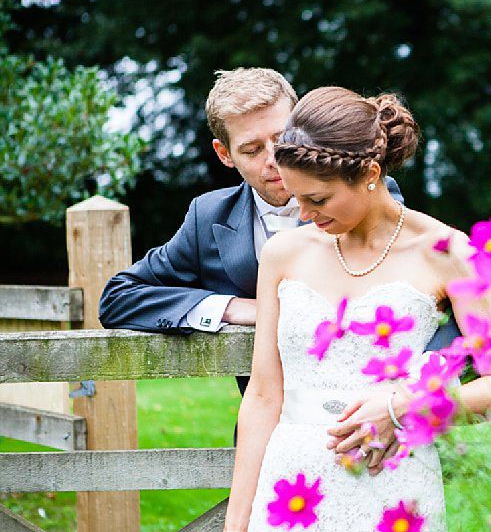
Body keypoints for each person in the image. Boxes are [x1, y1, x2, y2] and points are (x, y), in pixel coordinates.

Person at [208, 87, 491, 532]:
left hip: (394, 489)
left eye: (318, 199)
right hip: (293, 489)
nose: (304, 215)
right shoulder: (283, 254)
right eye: (296, 198)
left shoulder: (448, 253)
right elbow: (265, 396)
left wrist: (404, 406)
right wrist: (236, 526)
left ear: (371, 175)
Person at [98, 68, 459, 410]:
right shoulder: (209, 217)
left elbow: (437, 306)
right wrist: (231, 308)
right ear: (224, 154)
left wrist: (411, 399)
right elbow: (118, 298)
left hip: (379, 420)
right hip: (267, 423)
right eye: (252, 150)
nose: (274, 159)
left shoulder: (366, 197)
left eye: (282, 138)